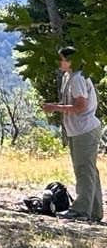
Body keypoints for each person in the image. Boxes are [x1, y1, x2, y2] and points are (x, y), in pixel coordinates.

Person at [41, 45, 102, 225]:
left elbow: (81, 105)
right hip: (77, 130)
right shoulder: (69, 77)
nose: (60, 62)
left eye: (62, 59)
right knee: (88, 169)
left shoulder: (77, 78)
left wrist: (55, 108)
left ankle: (81, 209)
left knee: (84, 169)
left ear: (71, 61)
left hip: (85, 129)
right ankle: (94, 210)